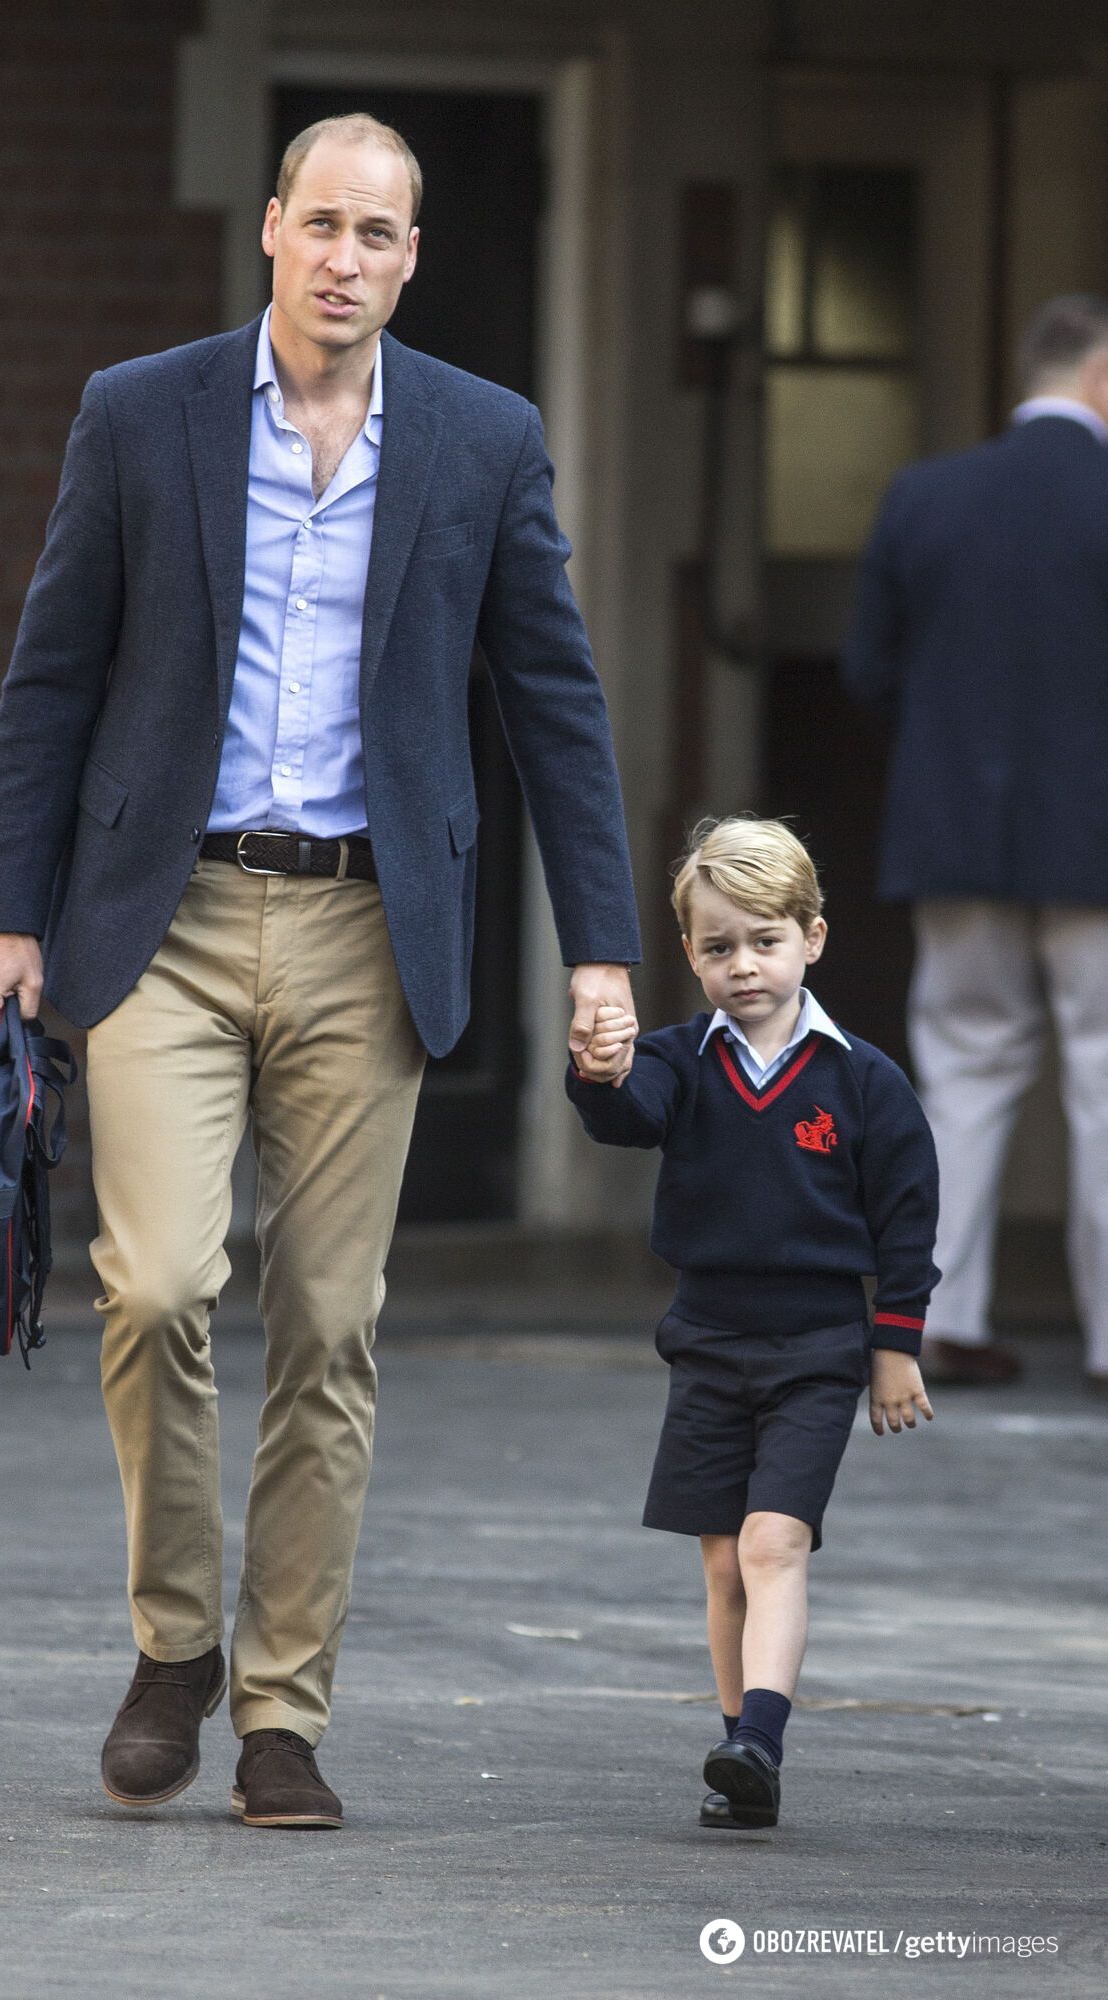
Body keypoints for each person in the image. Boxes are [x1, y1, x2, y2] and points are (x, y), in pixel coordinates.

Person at [0, 113, 641, 1828]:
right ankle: (176, 1636)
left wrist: (607, 951)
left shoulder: (484, 441)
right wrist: (1, 913)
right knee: (161, 1285)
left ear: (415, 258)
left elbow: (555, 705)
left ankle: (278, 1711)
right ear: (270, 229)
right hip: (161, 918)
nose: (345, 260)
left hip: (366, 931)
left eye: (379, 235)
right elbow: (52, 677)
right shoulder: (142, 410)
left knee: (329, 1327)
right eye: (320, 224)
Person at [566, 817, 937, 1830]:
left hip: (819, 1347)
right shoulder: (681, 1060)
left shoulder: (861, 1078)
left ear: (811, 938)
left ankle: (758, 1737)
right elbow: (628, 1107)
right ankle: (741, 1753)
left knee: (776, 1541)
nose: (742, 966)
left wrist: (892, 1343)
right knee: (724, 1557)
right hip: (707, 1340)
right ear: (686, 952)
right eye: (718, 945)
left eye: (764, 941)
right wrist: (599, 1068)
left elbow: (905, 1213)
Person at [843, 294, 1108, 1393]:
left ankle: (940, 1322)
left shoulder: (924, 494)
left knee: (959, 1073)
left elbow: (867, 670)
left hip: (951, 834)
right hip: (1094, 839)